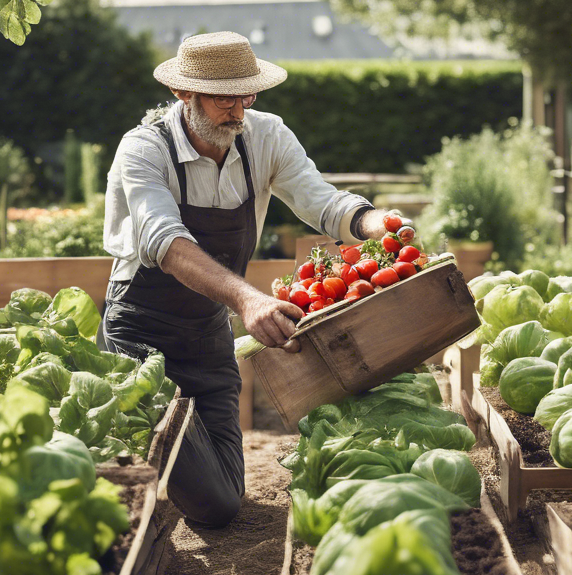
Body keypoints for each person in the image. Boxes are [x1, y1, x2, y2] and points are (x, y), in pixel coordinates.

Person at [101, 31, 401, 528]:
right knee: (204, 492)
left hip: (204, 335)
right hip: (139, 335)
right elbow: (166, 244)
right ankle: (135, 437)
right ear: (183, 93)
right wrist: (248, 300)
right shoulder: (143, 150)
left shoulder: (266, 136)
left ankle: (155, 448)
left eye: (247, 94)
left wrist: (378, 225)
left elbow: (322, 202)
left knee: (224, 503)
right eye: (224, 96)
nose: (238, 110)